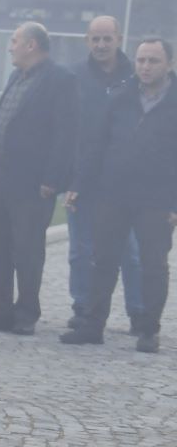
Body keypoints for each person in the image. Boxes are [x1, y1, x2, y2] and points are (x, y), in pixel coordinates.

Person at [62, 38, 177, 352]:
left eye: (153, 61)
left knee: (153, 265)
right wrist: (78, 185)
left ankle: (148, 330)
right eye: (141, 60)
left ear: (169, 64)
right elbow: (97, 145)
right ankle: (92, 324)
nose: (145, 66)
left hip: (156, 199)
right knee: (103, 261)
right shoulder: (120, 98)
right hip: (112, 193)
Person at [0, 23, 78, 336]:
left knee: (27, 248)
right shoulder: (17, 76)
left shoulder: (61, 80)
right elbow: (9, 115)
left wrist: (53, 179)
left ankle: (27, 312)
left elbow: (66, 133)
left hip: (34, 182)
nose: (10, 46)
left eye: (14, 41)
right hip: (2, 174)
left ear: (31, 45)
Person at [67, 16, 143, 330]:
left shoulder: (136, 76)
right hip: (82, 175)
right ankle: (83, 306)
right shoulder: (74, 76)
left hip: (123, 179)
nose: (100, 45)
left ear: (118, 39)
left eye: (106, 39)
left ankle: (139, 311)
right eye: (95, 39)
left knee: (130, 251)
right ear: (87, 40)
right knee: (80, 249)